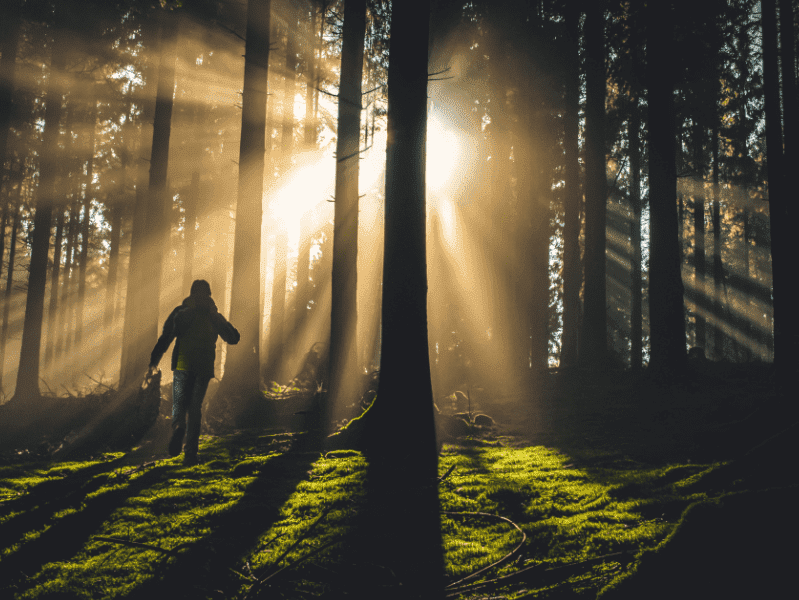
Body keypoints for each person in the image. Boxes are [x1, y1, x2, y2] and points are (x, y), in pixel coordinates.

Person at [149, 279, 240, 465]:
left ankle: (179, 427)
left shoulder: (180, 313)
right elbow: (233, 338)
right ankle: (190, 453)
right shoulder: (212, 315)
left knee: (180, 404)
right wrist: (217, 317)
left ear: (191, 293)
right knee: (195, 407)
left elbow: (166, 337)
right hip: (204, 366)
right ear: (209, 294)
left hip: (182, 362)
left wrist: (153, 361)